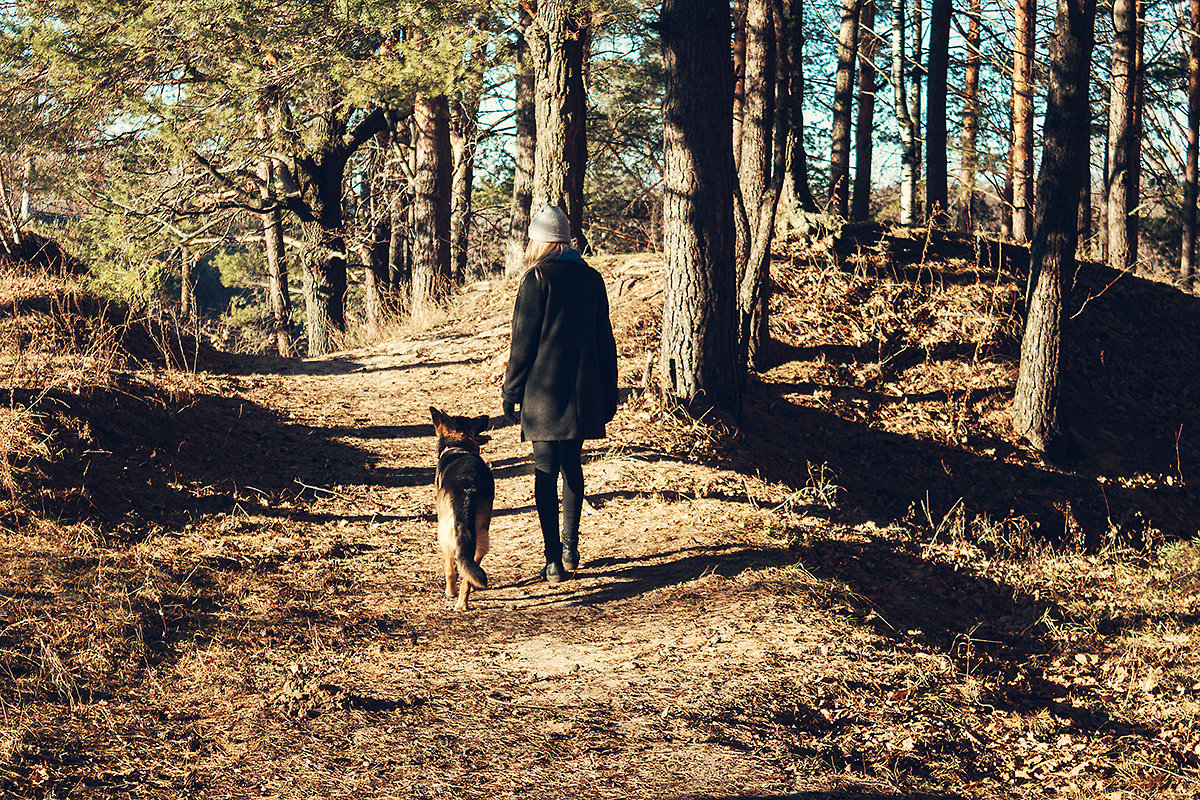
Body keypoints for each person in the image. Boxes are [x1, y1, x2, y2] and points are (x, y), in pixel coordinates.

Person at [502, 205, 618, 584]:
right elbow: (605, 340)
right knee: (572, 466)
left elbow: (523, 342)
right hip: (583, 393)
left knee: (545, 469)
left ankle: (552, 560)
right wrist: (610, 391)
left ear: (541, 240)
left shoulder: (537, 279)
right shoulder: (592, 279)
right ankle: (570, 551)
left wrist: (512, 390)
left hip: (543, 394)